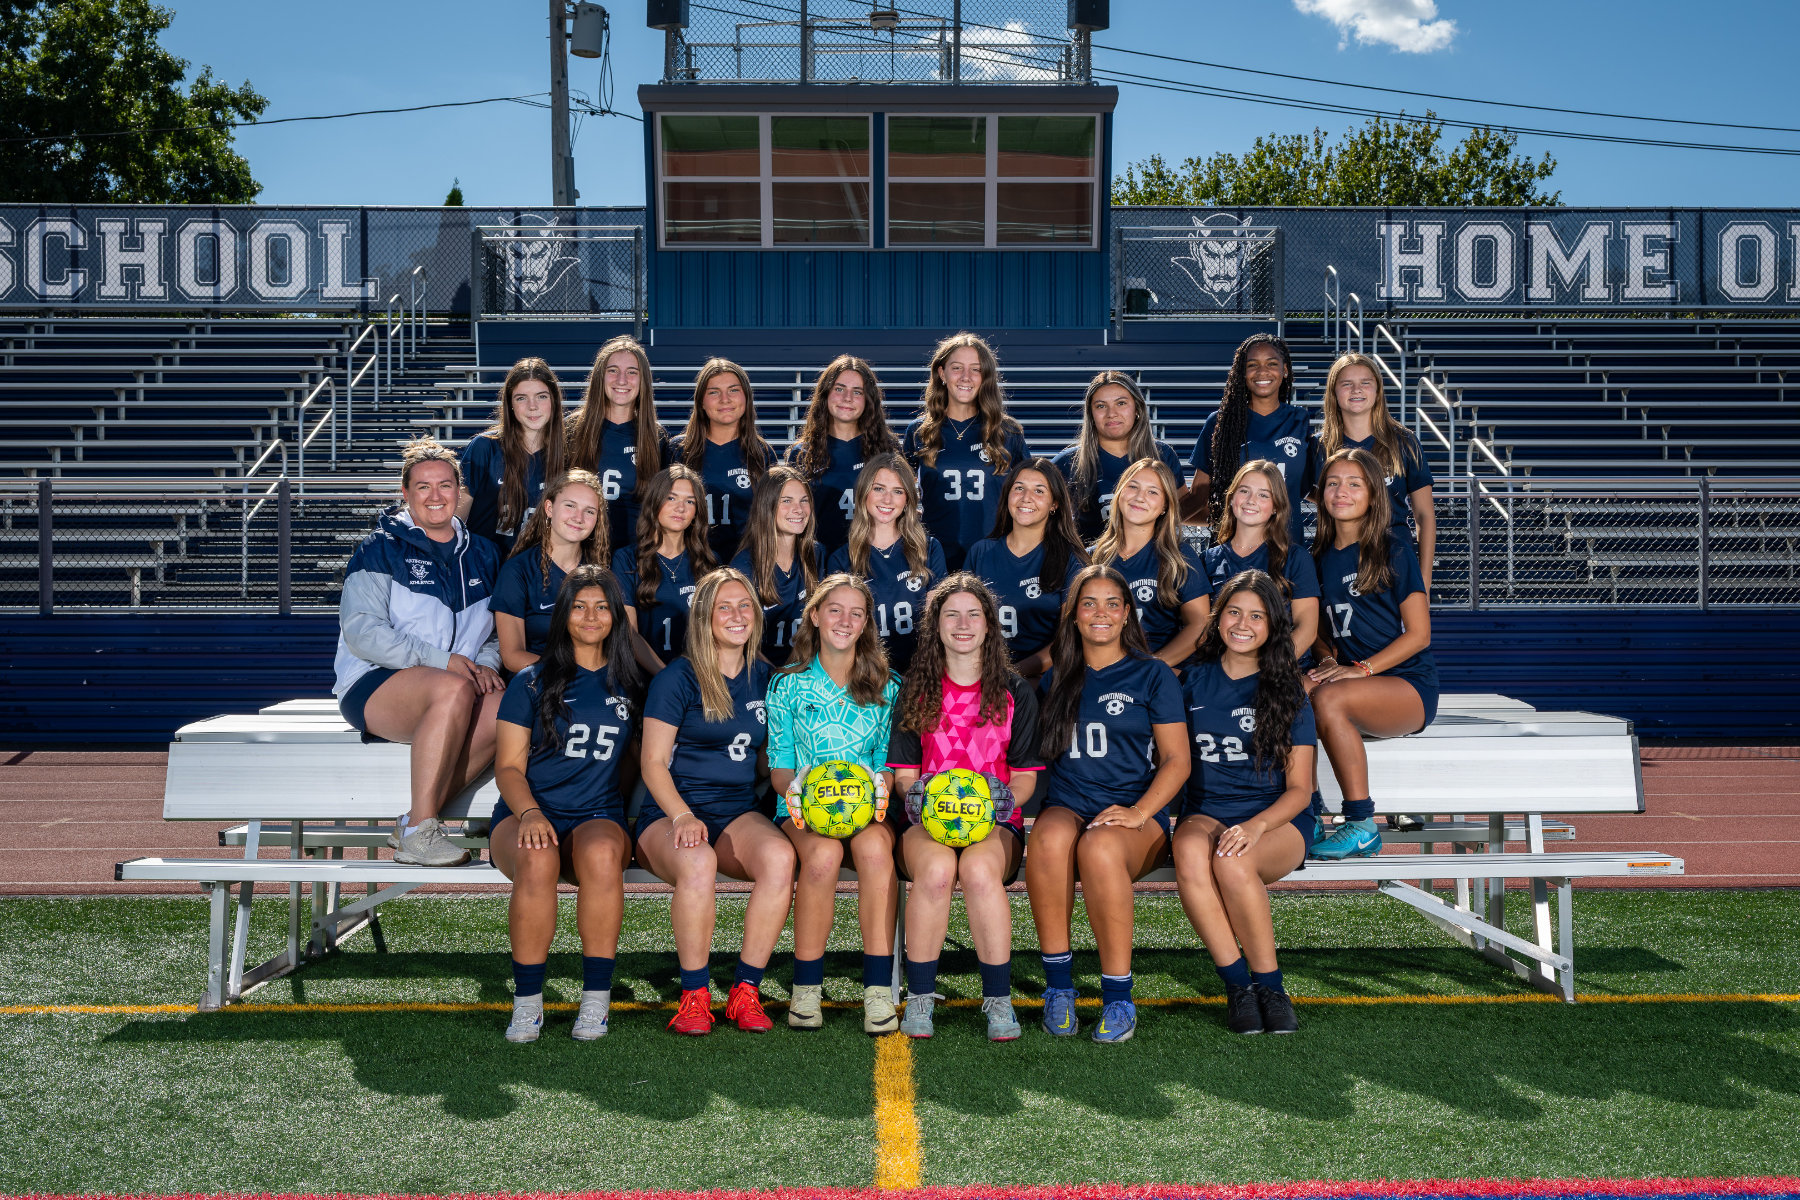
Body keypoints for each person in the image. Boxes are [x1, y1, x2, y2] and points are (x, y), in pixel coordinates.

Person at [1027, 565, 1189, 1043]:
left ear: (1126, 615)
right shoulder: (1055, 679)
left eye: (1112, 604)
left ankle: (1118, 994)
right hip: (1071, 803)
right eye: (1089, 604)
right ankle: (1059, 988)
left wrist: (1140, 812)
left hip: (1137, 816)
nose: (1101, 613)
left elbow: (1178, 761)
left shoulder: (1153, 674)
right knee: (1049, 838)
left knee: (1098, 848)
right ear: (1073, 616)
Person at [636, 567, 795, 1035]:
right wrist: (682, 814)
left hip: (736, 811)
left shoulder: (768, 678)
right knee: (698, 861)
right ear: (704, 617)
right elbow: (652, 763)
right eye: (723, 606)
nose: (736, 615)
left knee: (780, 858)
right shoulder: (678, 678)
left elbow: (770, 762)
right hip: (670, 812)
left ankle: (745, 990)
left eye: (745, 606)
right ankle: (694, 995)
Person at [887, 574, 1043, 1041]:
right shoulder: (916, 690)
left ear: (990, 626)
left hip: (994, 823)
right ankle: (919, 997)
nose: (962, 623)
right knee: (935, 873)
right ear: (935, 626)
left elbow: (1025, 777)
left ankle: (997, 999)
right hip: (926, 823)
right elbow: (903, 774)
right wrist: (920, 800)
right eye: (950, 614)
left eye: (973, 614)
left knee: (978, 873)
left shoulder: (1015, 692)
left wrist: (998, 804)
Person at [334, 437, 503, 867]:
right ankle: (422, 831)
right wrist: (442, 661)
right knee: (451, 690)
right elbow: (362, 633)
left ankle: (413, 821)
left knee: (507, 706)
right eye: (423, 487)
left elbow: (496, 632)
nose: (435, 496)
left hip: (456, 685)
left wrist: (483, 664)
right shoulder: (379, 548)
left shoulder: (484, 554)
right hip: (377, 683)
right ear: (405, 494)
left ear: (459, 492)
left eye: (445, 485)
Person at [492, 564, 643, 1043]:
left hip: (597, 814)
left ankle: (596, 1000)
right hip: (527, 812)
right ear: (564, 616)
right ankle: (527, 1004)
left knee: (601, 855)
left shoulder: (632, 685)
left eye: (601, 607)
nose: (591, 616)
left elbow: (638, 763)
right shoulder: (532, 681)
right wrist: (531, 813)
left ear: (616, 616)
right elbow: (509, 769)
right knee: (537, 858)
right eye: (579, 606)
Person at [1172, 569, 1315, 1036]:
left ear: (1273, 626)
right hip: (1206, 810)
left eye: (1256, 615)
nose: (1242, 623)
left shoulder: (1287, 688)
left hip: (1276, 821)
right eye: (1233, 612)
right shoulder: (1189, 682)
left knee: (1233, 862)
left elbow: (1300, 789)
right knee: (1191, 852)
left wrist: (1256, 827)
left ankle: (1271, 986)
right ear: (1217, 619)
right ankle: (1237, 986)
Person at [767, 574, 902, 1033]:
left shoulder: (887, 685)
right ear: (815, 616)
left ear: (867, 624)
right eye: (835, 610)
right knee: (822, 857)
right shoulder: (787, 685)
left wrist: (878, 786)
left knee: (875, 851)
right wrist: (797, 787)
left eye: (856, 613)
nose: (845, 620)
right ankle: (806, 989)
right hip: (804, 809)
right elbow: (780, 765)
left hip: (869, 809)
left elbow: (888, 762)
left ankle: (878, 991)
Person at [1306, 448, 1440, 861]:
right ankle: (1306, 812)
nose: (1341, 491)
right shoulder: (1317, 558)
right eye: (1332, 483)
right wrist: (1328, 661)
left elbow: (1419, 635)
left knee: (1329, 697)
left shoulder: (1392, 549)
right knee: (1287, 692)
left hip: (1407, 686)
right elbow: (1321, 632)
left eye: (1353, 483)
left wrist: (1359, 670)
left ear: (1372, 495)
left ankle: (1362, 824)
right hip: (1354, 682)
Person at [902, 333, 1029, 572]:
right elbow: (900, 494)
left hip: (994, 553)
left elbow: (1028, 495)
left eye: (976, 369)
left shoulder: (1008, 431)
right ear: (942, 373)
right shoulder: (918, 432)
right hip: (934, 557)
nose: (966, 377)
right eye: (957, 368)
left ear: (986, 377)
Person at [1317, 352, 1436, 592]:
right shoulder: (1320, 447)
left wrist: (1423, 581)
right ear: (1334, 392)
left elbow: (1424, 515)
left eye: (1365, 383)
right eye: (1347, 384)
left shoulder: (1404, 442)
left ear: (1378, 390)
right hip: (1338, 564)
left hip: (1394, 564)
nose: (1356, 390)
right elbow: (1311, 494)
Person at [1183, 334, 1316, 546]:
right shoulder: (1219, 423)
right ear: (1241, 373)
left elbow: (1309, 489)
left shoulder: (1300, 420)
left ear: (1285, 370)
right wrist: (1159, 519)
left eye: (1272, 363)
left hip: (1287, 549)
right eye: (1252, 365)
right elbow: (1200, 496)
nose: (1262, 371)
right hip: (1233, 550)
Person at [963, 458, 1089, 679]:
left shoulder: (1072, 559)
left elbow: (1070, 639)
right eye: (1019, 488)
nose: (1026, 498)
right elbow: (963, 624)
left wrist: (1013, 677)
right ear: (1007, 496)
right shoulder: (980, 552)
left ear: (1054, 504)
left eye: (1039, 491)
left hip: (1044, 679)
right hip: (983, 675)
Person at [825, 453, 946, 674]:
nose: (887, 500)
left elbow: (938, 623)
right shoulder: (842, 558)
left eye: (897, 491)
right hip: (864, 675)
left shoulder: (929, 549)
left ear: (908, 499)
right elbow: (839, 630)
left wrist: (921, 674)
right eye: (879, 488)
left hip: (920, 672)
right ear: (863, 493)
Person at [1089, 458, 1210, 667]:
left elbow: (1200, 625)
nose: (1139, 497)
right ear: (1119, 495)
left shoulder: (1180, 557)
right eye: (1133, 487)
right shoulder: (1090, 558)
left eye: (1152, 492)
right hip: (1099, 671)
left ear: (1165, 505)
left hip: (1158, 674)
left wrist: (1152, 667)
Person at [492, 469, 609, 676]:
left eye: (589, 511)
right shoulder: (517, 571)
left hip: (594, 681)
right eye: (570, 506)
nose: (578, 517)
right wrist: (574, 675)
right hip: (539, 681)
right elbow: (512, 656)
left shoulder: (602, 571)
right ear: (549, 508)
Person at [1203, 460, 1321, 661]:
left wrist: (1269, 671)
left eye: (1263, 495)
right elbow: (1203, 627)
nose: (1251, 500)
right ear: (1232, 499)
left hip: (1279, 671)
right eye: (1244, 491)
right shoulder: (1208, 560)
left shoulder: (1295, 558)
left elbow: (1307, 629)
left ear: (1276, 507)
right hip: (1225, 670)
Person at [1051, 371, 1189, 541]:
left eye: (1121, 403)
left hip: (1153, 562)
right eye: (1101, 406)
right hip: (1090, 564)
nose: (1112, 413)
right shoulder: (1067, 463)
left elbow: (1181, 512)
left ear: (1137, 408)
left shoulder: (1163, 456)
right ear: (1091, 414)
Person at [785, 355, 901, 556]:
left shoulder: (887, 450)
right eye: (839, 389)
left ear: (868, 400)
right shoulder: (802, 454)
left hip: (873, 561)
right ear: (825, 394)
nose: (847, 398)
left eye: (857, 392)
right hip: (818, 562)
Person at [566, 335, 669, 552]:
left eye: (632, 372)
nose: (622, 380)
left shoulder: (655, 437)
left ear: (643, 380)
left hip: (635, 556)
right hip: (581, 552)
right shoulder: (572, 430)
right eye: (612, 370)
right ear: (599, 377)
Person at [611, 464, 717, 672]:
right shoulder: (625, 559)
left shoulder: (710, 562)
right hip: (644, 679)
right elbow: (629, 634)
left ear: (697, 512)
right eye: (671, 498)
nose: (681, 508)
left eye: (690, 501)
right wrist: (666, 679)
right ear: (654, 502)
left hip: (697, 678)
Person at [459, 357, 567, 555]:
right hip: (486, 569)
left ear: (554, 400)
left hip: (541, 569)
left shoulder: (568, 452)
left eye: (542, 396)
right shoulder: (485, 447)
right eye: (521, 398)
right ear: (510, 404)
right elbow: (457, 518)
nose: (532, 406)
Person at [674, 358, 776, 563]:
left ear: (746, 397)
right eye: (714, 392)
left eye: (733, 390)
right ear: (701, 401)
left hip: (748, 565)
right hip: (691, 564)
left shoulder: (762, 453)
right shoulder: (678, 450)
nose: (725, 399)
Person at [729, 465, 822, 667]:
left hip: (809, 672)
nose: (798, 509)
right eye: (786, 501)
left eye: (804, 500)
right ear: (767, 505)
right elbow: (742, 642)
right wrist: (778, 678)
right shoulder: (744, 566)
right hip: (761, 674)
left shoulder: (817, 555)